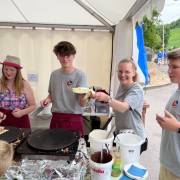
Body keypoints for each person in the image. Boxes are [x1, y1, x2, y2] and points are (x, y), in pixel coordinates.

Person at [93, 59, 147, 150]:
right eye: (120, 71)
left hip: (134, 139)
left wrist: (106, 98)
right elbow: (117, 107)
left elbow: (123, 107)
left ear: (133, 73)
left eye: (127, 72)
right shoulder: (122, 85)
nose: (122, 75)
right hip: (122, 135)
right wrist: (101, 99)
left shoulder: (136, 89)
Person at [40, 41, 88, 136]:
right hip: (56, 118)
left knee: (73, 148)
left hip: (74, 118)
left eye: (68, 55)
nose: (65, 59)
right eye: (62, 55)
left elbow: (82, 103)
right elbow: (51, 94)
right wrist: (47, 100)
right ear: (57, 56)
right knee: (54, 147)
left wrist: (86, 96)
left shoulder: (80, 75)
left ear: (73, 56)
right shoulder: (54, 75)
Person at [156, 48, 180, 180]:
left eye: (175, 67)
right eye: (169, 66)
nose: (169, 71)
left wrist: (177, 127)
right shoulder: (176, 91)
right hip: (167, 164)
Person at [0, 55, 36, 128]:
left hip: (21, 121)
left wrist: (22, 112)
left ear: (17, 71)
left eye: (11, 70)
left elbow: (33, 105)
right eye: (6, 69)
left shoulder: (24, 84)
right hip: (2, 120)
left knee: (22, 139)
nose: (8, 72)